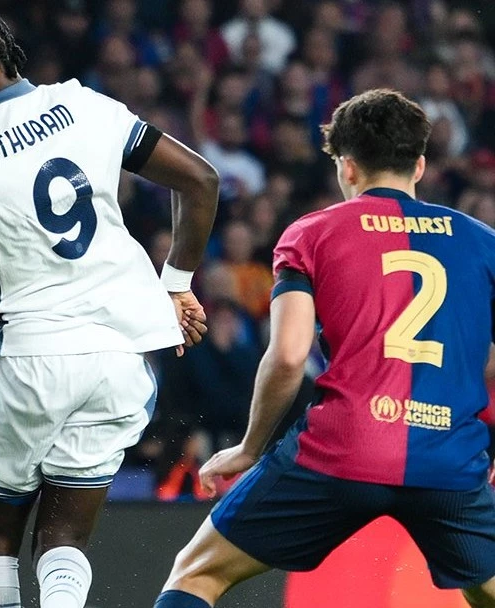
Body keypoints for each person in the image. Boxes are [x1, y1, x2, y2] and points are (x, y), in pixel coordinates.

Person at [0, 6, 218, 608]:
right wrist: (176, 284)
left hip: (32, 358)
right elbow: (201, 181)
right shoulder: (87, 105)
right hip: (119, 360)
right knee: (64, 537)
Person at [154, 89, 495, 608]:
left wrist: (250, 447)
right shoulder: (482, 241)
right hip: (448, 457)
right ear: (420, 165)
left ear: (348, 167)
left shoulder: (312, 234)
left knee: (197, 573)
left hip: (341, 449)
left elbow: (289, 355)